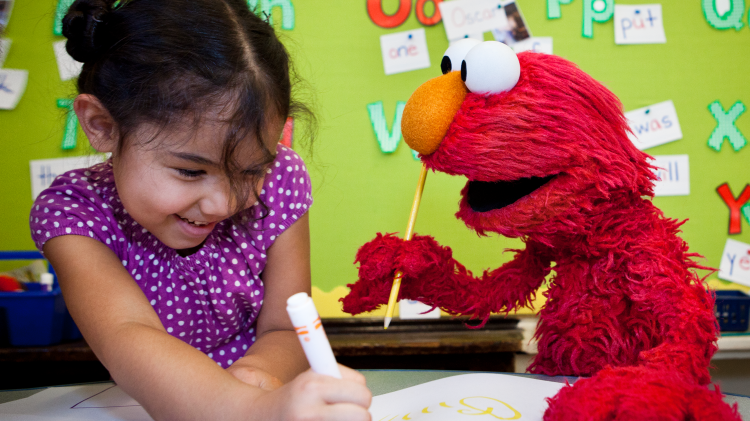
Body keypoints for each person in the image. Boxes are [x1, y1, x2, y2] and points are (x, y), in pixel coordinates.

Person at [29, 0, 372, 420]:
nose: (224, 204)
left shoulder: (281, 182)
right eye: (191, 171)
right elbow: (128, 336)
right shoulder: (74, 213)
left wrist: (257, 374)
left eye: (251, 170)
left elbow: (286, 327)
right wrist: (251, 409)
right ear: (103, 125)